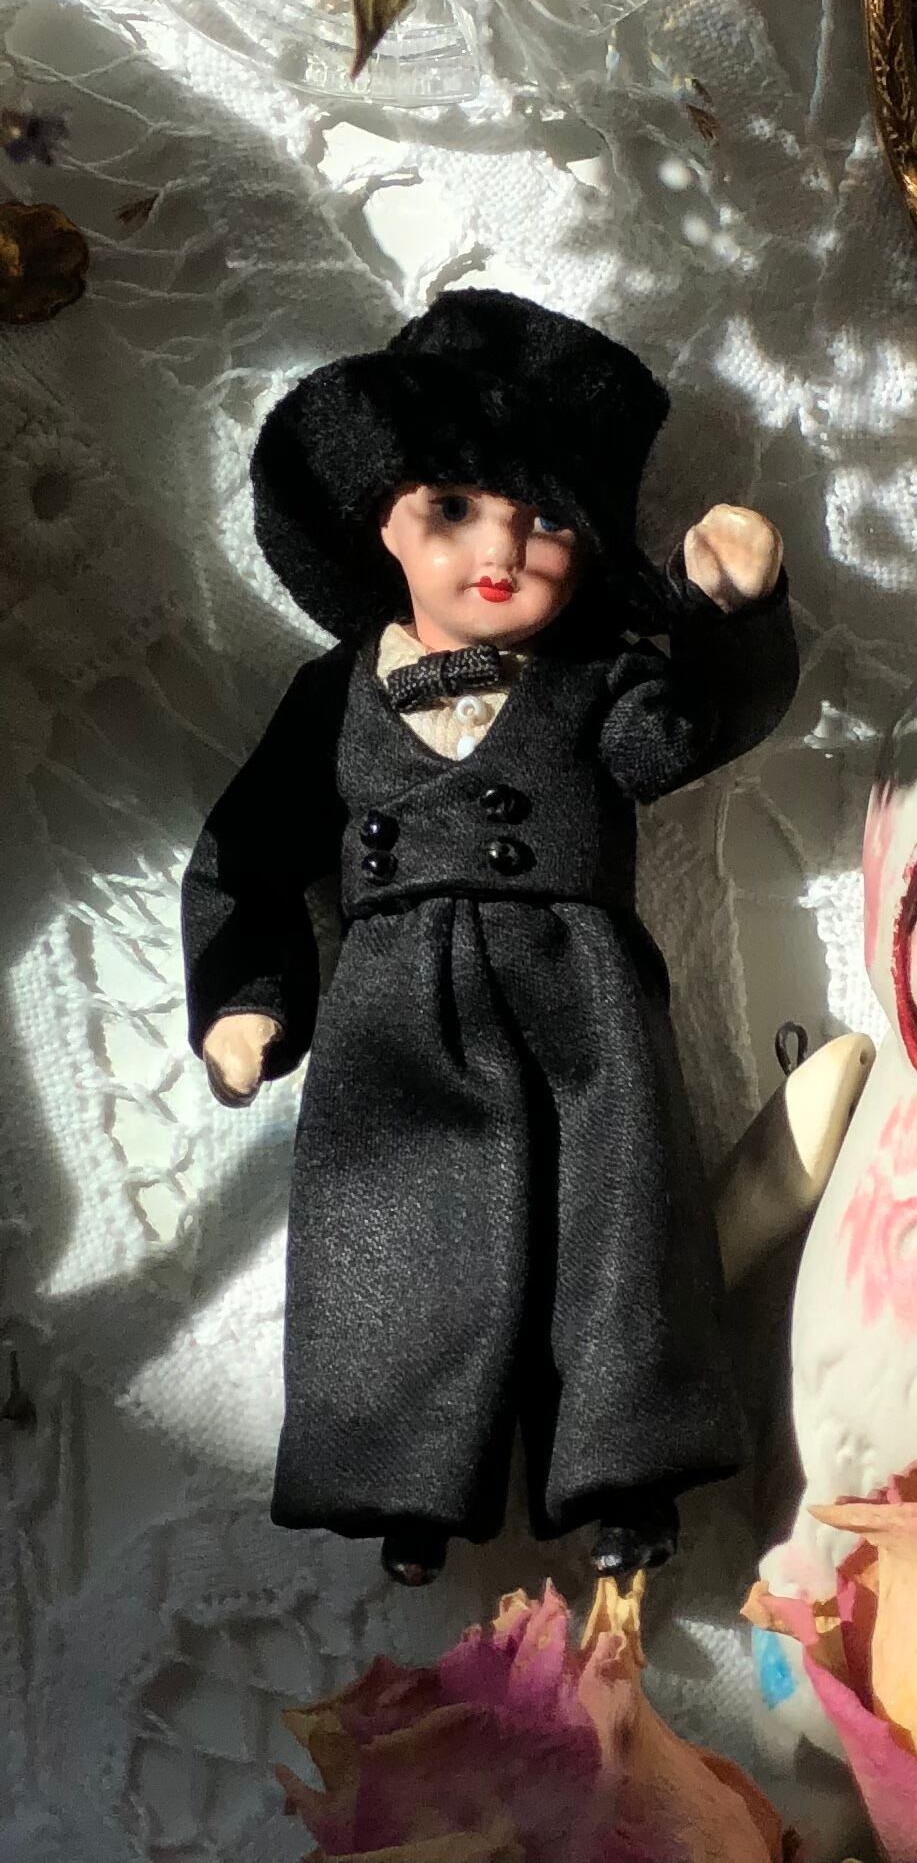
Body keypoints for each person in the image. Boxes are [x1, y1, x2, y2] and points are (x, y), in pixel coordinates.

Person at [183, 286, 798, 1586]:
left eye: (549, 517)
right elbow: (251, 843)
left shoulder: (594, 683)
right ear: (382, 519)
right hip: (394, 1006)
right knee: (402, 1236)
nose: (502, 547)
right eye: (456, 507)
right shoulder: (331, 694)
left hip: (579, 995)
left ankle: (627, 1479)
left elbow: (681, 737)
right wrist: (249, 994)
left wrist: (728, 618)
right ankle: (407, 1482)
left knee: (611, 1232)